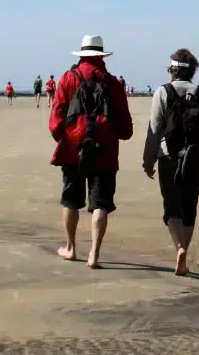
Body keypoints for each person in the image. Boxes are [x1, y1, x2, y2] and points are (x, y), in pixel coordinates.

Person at [142, 48, 199, 276]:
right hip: (197, 157)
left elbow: (153, 131)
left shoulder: (162, 93)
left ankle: (179, 248)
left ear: (172, 71)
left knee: (171, 206)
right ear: (192, 71)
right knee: (189, 204)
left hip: (168, 157)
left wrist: (148, 161)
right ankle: (184, 249)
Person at [49, 35, 133, 268]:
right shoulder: (113, 83)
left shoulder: (68, 78)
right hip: (104, 150)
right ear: (102, 56)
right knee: (100, 203)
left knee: (71, 201)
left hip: (72, 149)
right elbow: (125, 127)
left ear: (82, 55)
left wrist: (65, 140)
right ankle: (94, 254)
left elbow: (56, 119)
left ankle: (71, 247)